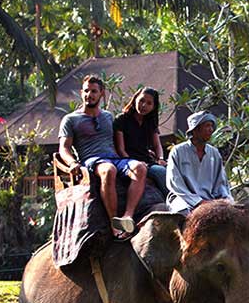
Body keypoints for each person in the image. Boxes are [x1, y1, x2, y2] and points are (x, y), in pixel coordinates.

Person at [58, 75, 148, 240]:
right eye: (86, 91)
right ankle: (114, 223)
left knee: (140, 167)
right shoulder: (70, 119)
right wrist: (72, 163)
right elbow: (63, 148)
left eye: (93, 91)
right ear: (81, 92)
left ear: (101, 94)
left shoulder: (107, 116)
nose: (89, 95)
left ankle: (127, 216)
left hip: (114, 157)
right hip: (92, 160)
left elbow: (119, 143)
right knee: (108, 170)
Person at [167, 111, 233, 215]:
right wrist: (198, 202)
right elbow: (175, 183)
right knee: (182, 212)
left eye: (212, 126)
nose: (211, 130)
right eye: (207, 126)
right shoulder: (178, 151)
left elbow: (221, 183)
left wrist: (226, 200)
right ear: (195, 130)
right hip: (183, 198)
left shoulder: (214, 153)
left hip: (210, 199)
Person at [113, 87, 168, 197]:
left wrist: (160, 158)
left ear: (153, 107)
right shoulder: (122, 119)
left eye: (149, 103)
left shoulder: (150, 121)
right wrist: (135, 163)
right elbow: (120, 149)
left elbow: (157, 145)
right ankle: (173, 200)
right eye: (142, 101)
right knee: (161, 172)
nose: (144, 105)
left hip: (147, 161)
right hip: (129, 162)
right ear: (135, 99)